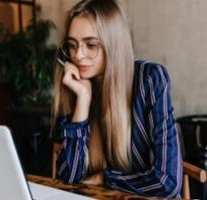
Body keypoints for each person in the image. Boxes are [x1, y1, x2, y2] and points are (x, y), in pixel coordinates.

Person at [52, 0, 182, 198]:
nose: (78, 55)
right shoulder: (77, 86)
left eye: (91, 45)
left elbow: (167, 182)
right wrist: (83, 101)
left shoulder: (149, 78)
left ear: (113, 43)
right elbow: (68, 181)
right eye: (72, 45)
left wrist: (105, 179)